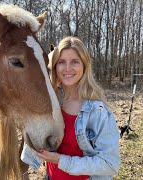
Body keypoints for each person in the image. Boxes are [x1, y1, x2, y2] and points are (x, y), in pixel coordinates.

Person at [21, 36, 120, 180]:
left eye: (74, 62)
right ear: (55, 65)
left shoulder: (98, 112)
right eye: (61, 62)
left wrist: (61, 161)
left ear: (84, 65)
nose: (67, 68)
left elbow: (110, 164)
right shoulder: (50, 103)